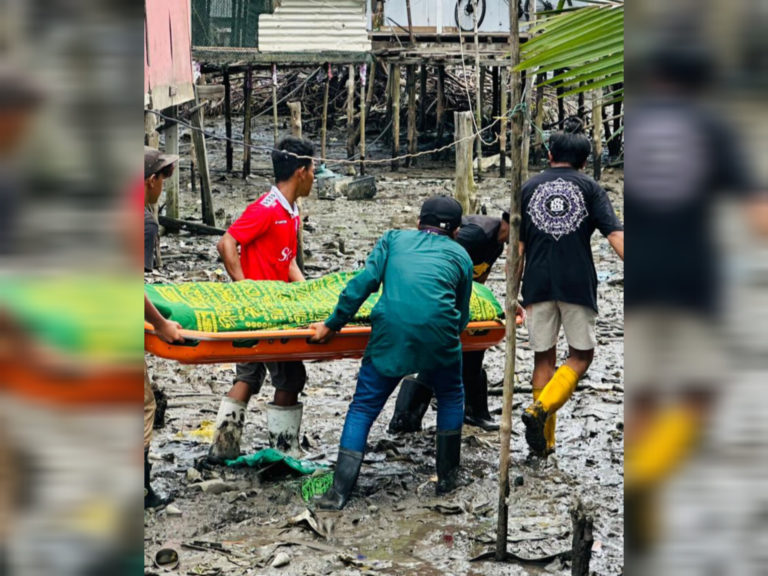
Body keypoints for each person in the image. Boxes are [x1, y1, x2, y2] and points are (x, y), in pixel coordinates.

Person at [309, 196, 474, 510]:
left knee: (363, 408)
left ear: (418, 223)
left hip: (390, 334)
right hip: (439, 337)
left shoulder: (393, 239)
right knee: (451, 396)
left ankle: (339, 492)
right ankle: (448, 479)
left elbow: (363, 284)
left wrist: (333, 324)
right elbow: (462, 314)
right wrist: (444, 334)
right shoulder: (461, 256)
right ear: (455, 231)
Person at [519, 116, 624, 457]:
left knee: (543, 356)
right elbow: (615, 236)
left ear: (549, 155)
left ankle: (544, 444)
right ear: (583, 161)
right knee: (581, 355)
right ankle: (541, 410)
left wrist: (510, 292)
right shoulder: (591, 188)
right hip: (576, 281)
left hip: (536, 282)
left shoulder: (527, 188)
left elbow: (517, 248)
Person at [209, 136, 315, 462]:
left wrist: (310, 295)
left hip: (274, 305)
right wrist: (245, 288)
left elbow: (288, 262)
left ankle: (221, 450)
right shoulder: (267, 209)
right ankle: (284, 451)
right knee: (292, 376)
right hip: (265, 311)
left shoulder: (292, 210)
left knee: (248, 376)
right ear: (301, 171)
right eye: (313, 169)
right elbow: (226, 243)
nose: (315, 176)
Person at [387, 211, 520, 432]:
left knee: (474, 350)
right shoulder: (477, 235)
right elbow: (443, 261)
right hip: (437, 295)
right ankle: (405, 418)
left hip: (462, 296)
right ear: (508, 222)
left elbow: (480, 278)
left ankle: (474, 411)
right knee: (437, 353)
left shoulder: (496, 244)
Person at [143, 146, 184, 508]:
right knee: (143, 406)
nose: (164, 186)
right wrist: (159, 325)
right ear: (150, 180)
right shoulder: (144, 222)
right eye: (163, 178)